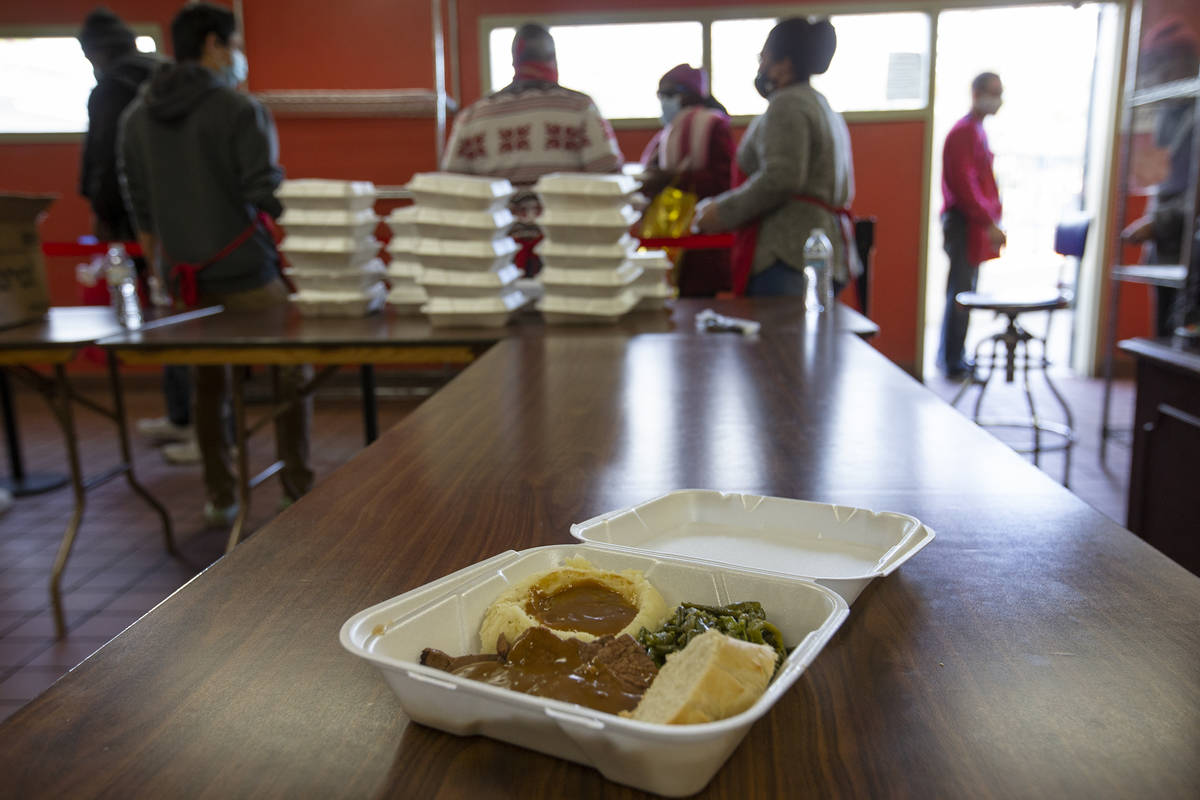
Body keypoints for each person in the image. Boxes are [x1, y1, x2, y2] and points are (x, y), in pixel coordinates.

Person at [119, 2, 312, 525]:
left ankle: (221, 496)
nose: (238, 56)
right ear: (212, 44)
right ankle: (297, 488)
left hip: (187, 282)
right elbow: (263, 191)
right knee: (290, 376)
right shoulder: (237, 109)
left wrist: (163, 271)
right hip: (249, 274)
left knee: (208, 388)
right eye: (233, 43)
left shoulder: (136, 117)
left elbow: (136, 200)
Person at [77, 8, 196, 461]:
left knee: (170, 321)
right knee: (182, 317)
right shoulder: (167, 75)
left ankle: (198, 425)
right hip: (192, 219)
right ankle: (186, 416)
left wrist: (104, 214)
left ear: (98, 52)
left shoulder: (111, 90)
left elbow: (107, 165)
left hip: (140, 221)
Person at [693, 17, 858, 299]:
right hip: (819, 249)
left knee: (780, 343)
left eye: (764, 58)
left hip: (786, 255)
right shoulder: (822, 105)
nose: (761, 67)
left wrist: (720, 212)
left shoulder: (787, 104)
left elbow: (781, 178)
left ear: (785, 64)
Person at [441, 23, 623, 275]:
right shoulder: (579, 108)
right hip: (570, 255)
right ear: (553, 58)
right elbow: (610, 182)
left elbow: (451, 193)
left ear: (514, 60)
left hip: (495, 258)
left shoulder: (472, 116)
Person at [1121, 17, 1199, 336]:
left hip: (1191, 244)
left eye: (1165, 65)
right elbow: (1162, 180)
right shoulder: (1170, 113)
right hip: (1166, 243)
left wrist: (1160, 221)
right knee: (1162, 334)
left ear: (1184, 61)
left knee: (1182, 335)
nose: (1159, 75)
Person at [639, 64, 733, 297]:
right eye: (661, 95)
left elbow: (725, 181)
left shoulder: (713, 126)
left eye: (669, 94)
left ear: (690, 94)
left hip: (700, 241)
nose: (664, 101)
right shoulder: (667, 134)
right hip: (666, 235)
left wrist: (676, 179)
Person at [937, 72, 1007, 379]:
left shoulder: (977, 131)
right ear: (977, 93)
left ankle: (954, 355)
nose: (998, 99)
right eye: (994, 92)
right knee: (962, 293)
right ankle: (953, 360)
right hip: (965, 223)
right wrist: (987, 221)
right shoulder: (964, 132)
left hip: (974, 225)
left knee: (965, 290)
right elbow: (965, 186)